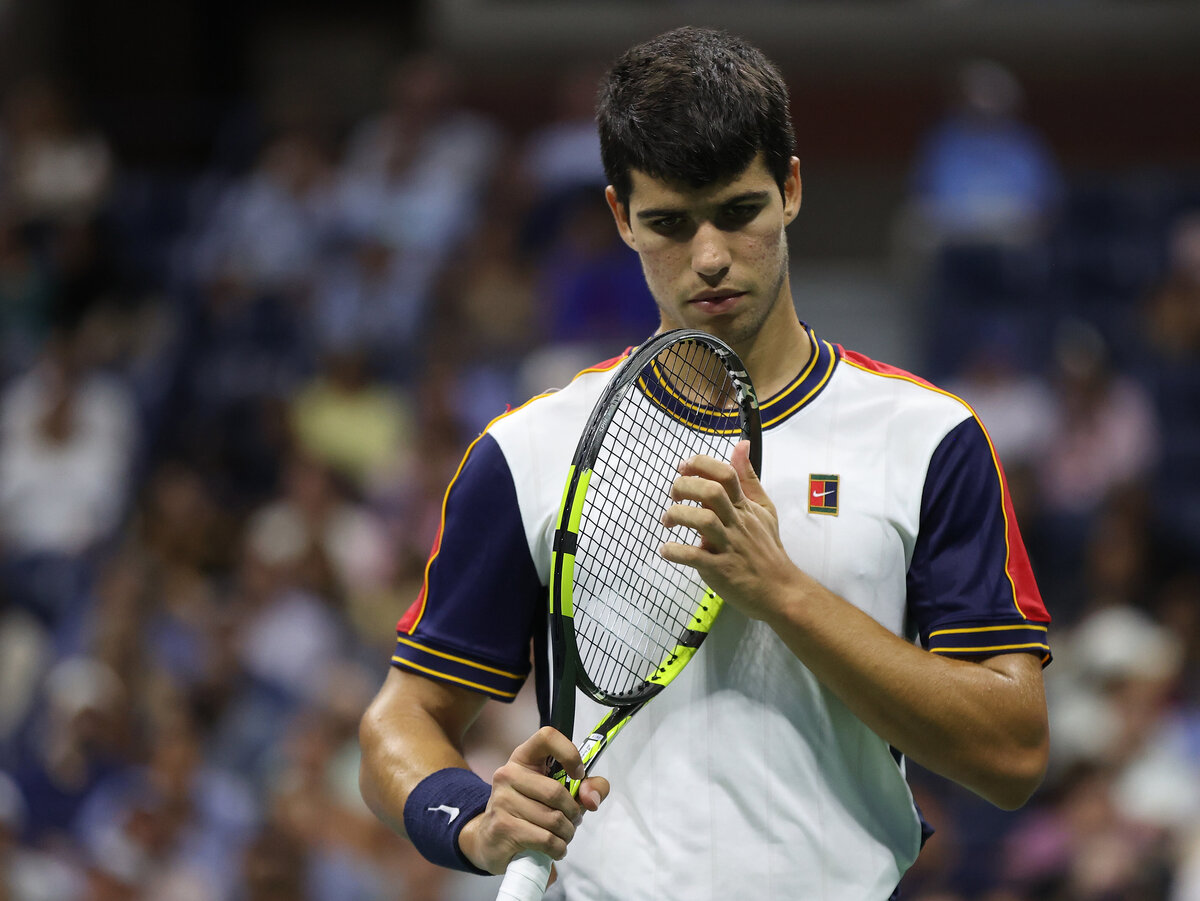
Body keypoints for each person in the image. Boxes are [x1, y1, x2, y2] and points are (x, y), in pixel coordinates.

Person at [359, 26, 1051, 900]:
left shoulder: (929, 439)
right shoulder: (528, 450)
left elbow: (1014, 751)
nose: (711, 257)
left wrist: (784, 592)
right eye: (669, 226)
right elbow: (402, 717)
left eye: (739, 211)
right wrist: (472, 820)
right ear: (620, 217)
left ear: (790, 189)